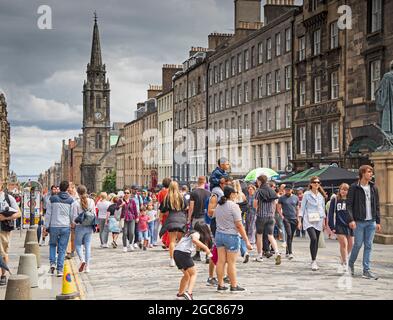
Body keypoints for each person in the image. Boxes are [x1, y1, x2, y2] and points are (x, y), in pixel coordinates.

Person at [215, 186, 253, 293]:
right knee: (231, 263)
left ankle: (220, 284)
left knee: (221, 261)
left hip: (219, 234)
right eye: (235, 193)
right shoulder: (234, 206)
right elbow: (239, 225)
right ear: (231, 194)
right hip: (231, 236)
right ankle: (234, 285)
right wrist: (246, 241)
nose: (236, 194)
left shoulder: (219, 205)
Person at [348, 165, 381, 279]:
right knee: (357, 245)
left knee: (369, 246)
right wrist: (351, 219)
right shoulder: (354, 187)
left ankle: (366, 270)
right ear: (362, 173)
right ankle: (350, 264)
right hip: (359, 221)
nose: (371, 174)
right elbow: (349, 205)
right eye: (368, 172)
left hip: (371, 221)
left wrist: (378, 221)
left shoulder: (373, 187)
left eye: (371, 172)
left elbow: (377, 205)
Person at [174, 222, 213, 300]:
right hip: (184, 253)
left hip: (176, 253)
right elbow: (195, 240)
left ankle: (180, 294)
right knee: (193, 274)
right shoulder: (196, 233)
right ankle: (189, 293)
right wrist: (206, 249)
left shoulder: (188, 233)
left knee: (187, 275)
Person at [43, 181, 74, 277]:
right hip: (65, 226)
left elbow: (48, 214)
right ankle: (60, 270)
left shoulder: (52, 199)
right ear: (67, 188)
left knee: (52, 244)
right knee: (62, 249)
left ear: (59, 188)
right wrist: (72, 223)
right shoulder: (71, 200)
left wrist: (46, 226)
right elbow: (72, 215)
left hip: (54, 226)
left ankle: (52, 263)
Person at [299, 176, 327, 271]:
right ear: (311, 184)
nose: (316, 184)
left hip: (318, 220)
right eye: (315, 182)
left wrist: (324, 221)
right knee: (313, 238)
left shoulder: (321, 196)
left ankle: (313, 259)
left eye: (318, 182)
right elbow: (302, 208)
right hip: (309, 220)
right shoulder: (306, 194)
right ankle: (314, 260)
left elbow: (322, 209)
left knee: (316, 240)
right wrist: (300, 220)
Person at [253, 175, 281, 265]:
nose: (257, 183)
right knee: (270, 235)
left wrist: (256, 210)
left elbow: (255, 204)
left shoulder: (258, 191)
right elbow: (274, 204)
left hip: (261, 216)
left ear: (260, 181)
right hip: (271, 217)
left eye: (257, 181)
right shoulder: (272, 191)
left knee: (259, 235)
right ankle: (277, 252)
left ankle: (259, 255)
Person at [159, 181, 187, 267]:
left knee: (172, 241)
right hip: (181, 219)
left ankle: (172, 260)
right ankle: (182, 258)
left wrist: (161, 219)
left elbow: (162, 210)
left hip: (171, 219)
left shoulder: (167, 198)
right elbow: (185, 207)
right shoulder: (182, 197)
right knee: (181, 240)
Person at [328, 183, 354, 272]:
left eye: (346, 190)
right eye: (342, 189)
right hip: (339, 225)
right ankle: (345, 263)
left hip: (350, 225)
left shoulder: (351, 201)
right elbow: (330, 214)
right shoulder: (335, 200)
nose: (343, 191)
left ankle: (343, 259)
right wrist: (332, 226)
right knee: (344, 244)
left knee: (351, 244)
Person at [0, 180, 21, 286]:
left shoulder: (8, 198)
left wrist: (5, 217)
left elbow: (18, 214)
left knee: (3, 254)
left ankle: (3, 275)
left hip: (3, 230)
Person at [71, 185, 96, 273]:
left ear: (77, 192)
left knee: (77, 244)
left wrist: (73, 225)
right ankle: (87, 267)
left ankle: (82, 260)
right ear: (86, 191)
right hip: (89, 226)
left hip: (79, 226)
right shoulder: (92, 201)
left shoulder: (75, 203)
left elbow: (74, 217)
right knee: (88, 246)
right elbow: (94, 214)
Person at [187, 176, 211, 262]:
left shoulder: (193, 193)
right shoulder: (209, 193)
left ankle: (197, 254)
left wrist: (189, 218)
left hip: (196, 217)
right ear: (205, 182)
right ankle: (208, 255)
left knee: (196, 236)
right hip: (206, 217)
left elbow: (191, 208)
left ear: (198, 182)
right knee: (207, 235)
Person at [277, 186, 299, 260]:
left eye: (289, 190)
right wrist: (282, 216)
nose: (287, 191)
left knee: (291, 236)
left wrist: (298, 217)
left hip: (294, 218)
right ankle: (290, 253)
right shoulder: (282, 198)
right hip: (286, 218)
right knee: (289, 234)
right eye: (286, 190)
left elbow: (297, 208)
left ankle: (287, 250)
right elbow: (278, 208)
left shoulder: (295, 198)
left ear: (291, 190)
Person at [233, 180, 250, 263]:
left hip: (232, 218)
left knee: (234, 235)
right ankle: (244, 252)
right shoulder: (242, 195)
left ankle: (234, 252)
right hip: (240, 217)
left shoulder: (231, 195)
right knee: (242, 234)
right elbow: (246, 206)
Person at [157, 178, 171, 249]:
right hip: (170, 212)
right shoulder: (171, 192)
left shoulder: (160, 192)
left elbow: (159, 202)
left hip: (163, 211)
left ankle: (164, 240)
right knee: (170, 228)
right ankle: (167, 242)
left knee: (164, 227)